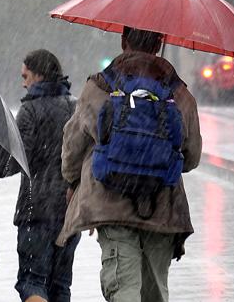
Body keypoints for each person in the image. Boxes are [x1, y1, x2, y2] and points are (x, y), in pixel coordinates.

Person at [57, 27, 202, 302]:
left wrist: (72, 181)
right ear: (160, 44)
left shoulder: (100, 86)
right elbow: (192, 156)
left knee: (123, 289)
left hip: (111, 205)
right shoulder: (179, 94)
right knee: (155, 292)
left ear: (123, 41)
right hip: (162, 210)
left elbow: (72, 146)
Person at [0, 49, 80, 302]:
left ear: (39, 75)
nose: (23, 82)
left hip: (36, 213)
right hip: (71, 214)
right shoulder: (76, 107)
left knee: (32, 282)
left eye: (25, 76)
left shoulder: (31, 110)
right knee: (60, 286)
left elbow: (12, 162)